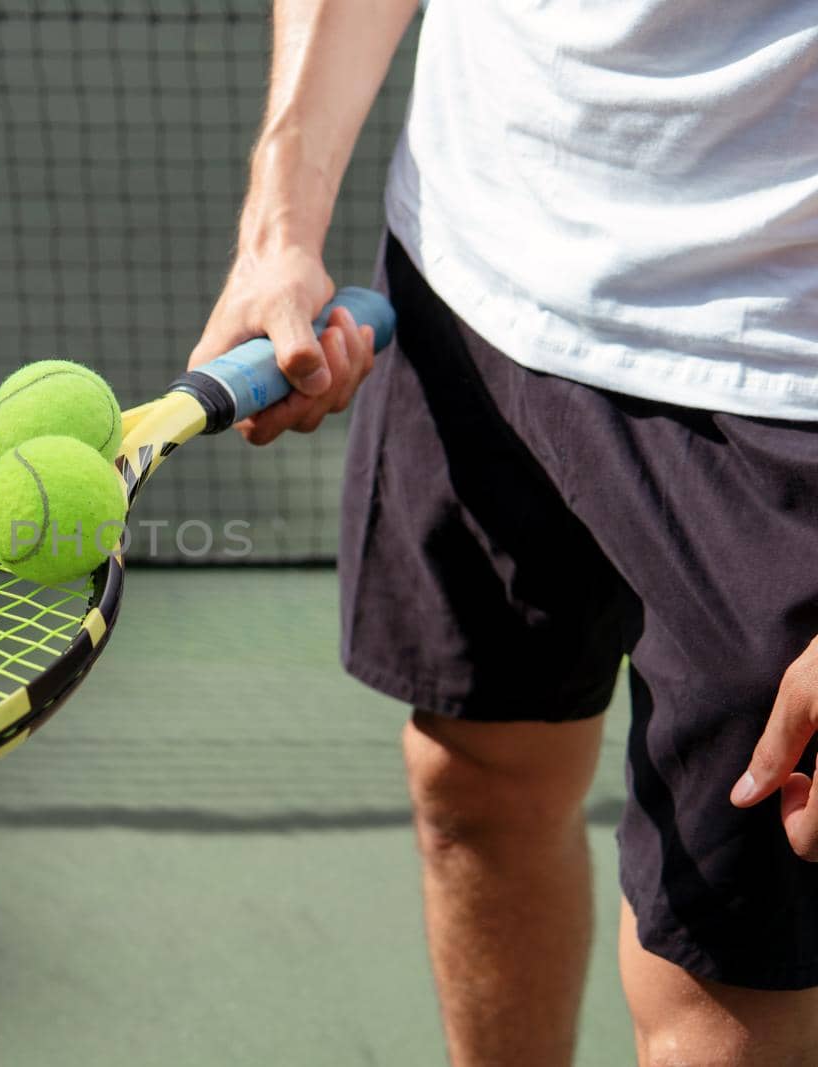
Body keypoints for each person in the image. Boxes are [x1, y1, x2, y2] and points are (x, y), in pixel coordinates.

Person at [187, 1, 818, 1063]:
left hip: (779, 373)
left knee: (719, 997)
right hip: (471, 270)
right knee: (471, 786)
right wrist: (279, 224)